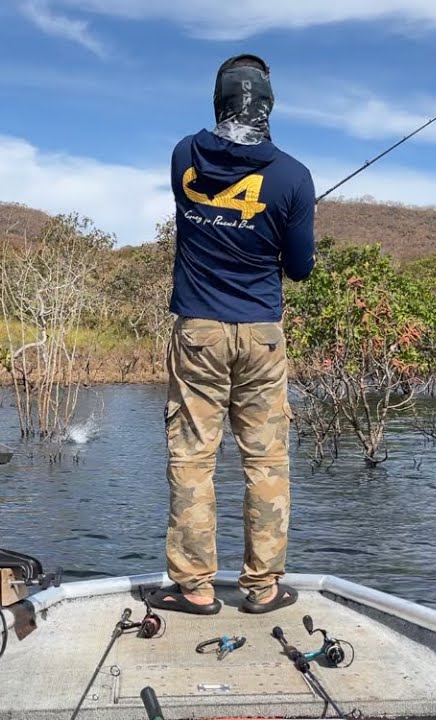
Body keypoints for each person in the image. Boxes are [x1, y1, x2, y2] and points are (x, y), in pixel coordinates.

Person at [147, 53, 315, 616]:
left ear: (219, 101)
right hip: (263, 337)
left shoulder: (183, 157)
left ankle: (195, 588)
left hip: (198, 333)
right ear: (268, 105)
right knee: (266, 462)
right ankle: (263, 588)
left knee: (193, 458)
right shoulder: (293, 177)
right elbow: (299, 268)